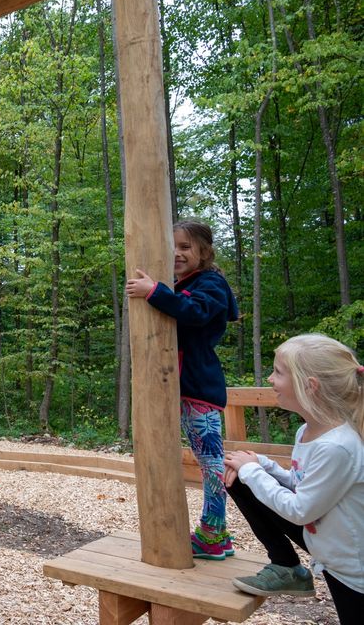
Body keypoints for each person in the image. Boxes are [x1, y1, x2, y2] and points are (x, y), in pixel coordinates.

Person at [223, 334, 364, 623]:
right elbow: (302, 485)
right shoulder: (308, 431)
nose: (271, 379)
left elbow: (300, 510)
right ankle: (286, 566)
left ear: (309, 386)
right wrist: (262, 465)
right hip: (329, 546)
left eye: (278, 372)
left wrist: (253, 471)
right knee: (240, 478)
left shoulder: (337, 446)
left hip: (353, 565)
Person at [126, 219, 239, 558]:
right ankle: (194, 527)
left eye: (186, 247)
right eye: (172, 246)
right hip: (173, 386)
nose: (177, 253)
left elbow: (195, 311)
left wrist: (155, 292)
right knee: (171, 453)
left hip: (198, 388)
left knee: (210, 462)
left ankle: (215, 533)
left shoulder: (212, 284)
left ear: (204, 252)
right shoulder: (181, 283)